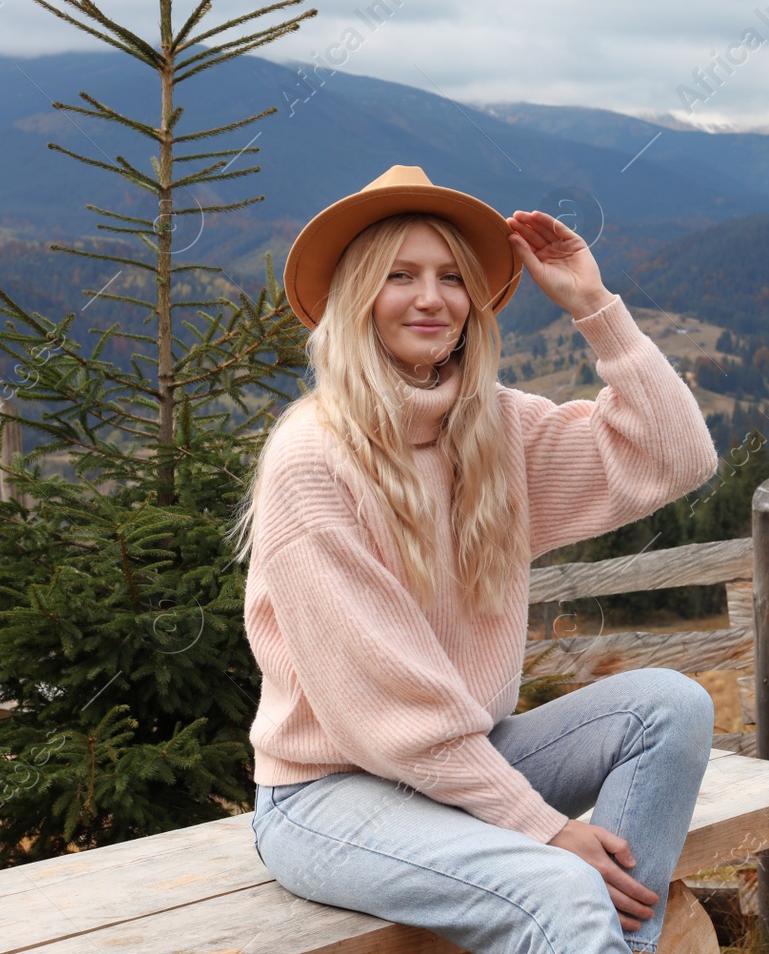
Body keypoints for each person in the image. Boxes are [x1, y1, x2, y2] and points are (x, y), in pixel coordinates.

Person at [230, 165, 722, 953]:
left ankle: (620, 945)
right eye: (401, 276)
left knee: (671, 704)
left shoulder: (495, 428)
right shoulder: (311, 461)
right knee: (563, 885)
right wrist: (544, 828)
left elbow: (675, 457)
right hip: (328, 796)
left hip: (466, 760)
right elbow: (395, 712)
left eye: (452, 277)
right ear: (358, 296)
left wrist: (596, 308)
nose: (432, 297)